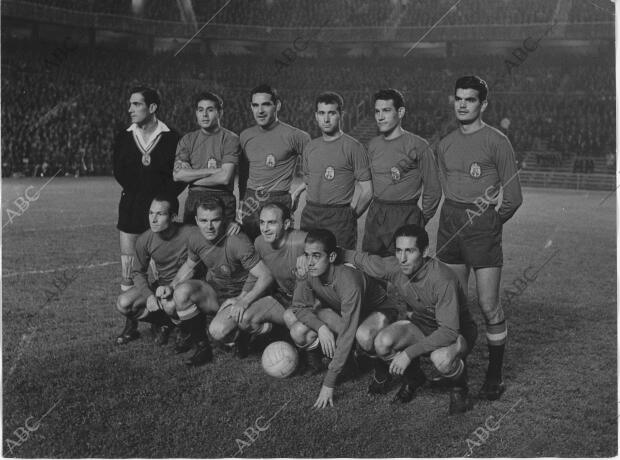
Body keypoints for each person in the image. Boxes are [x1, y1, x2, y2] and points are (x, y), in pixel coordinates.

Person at [435, 76, 523, 400]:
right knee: (452, 305)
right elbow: (447, 186)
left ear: (483, 104)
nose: (462, 104)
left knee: (488, 304)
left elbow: (513, 196)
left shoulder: (497, 141)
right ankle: (456, 373)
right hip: (450, 223)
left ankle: (494, 376)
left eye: (470, 99)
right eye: (458, 98)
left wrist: (491, 221)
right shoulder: (444, 143)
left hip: (482, 224)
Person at [342, 225, 478, 414]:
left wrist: (408, 354)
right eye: (399, 250)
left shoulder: (442, 279)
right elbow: (362, 259)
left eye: (410, 251)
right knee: (382, 343)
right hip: (422, 325)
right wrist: (327, 250)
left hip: (457, 332)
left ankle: (460, 387)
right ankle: (415, 378)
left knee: (441, 359)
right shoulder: (396, 266)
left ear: (424, 251)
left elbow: (449, 331)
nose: (403, 258)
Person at [288, 229, 398, 409]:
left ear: (331, 257)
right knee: (303, 328)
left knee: (363, 335)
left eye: (316, 256)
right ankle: (350, 360)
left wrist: (329, 382)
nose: (310, 262)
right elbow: (299, 307)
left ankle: (381, 369)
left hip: (379, 310)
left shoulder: (347, 280)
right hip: (347, 311)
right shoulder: (308, 269)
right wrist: (321, 328)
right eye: (307, 255)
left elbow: (348, 331)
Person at [158, 198, 274, 365]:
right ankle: (202, 347)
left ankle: (250, 331)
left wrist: (244, 300)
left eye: (215, 220)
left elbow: (266, 275)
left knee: (218, 331)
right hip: (216, 293)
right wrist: (171, 286)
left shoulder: (237, 241)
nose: (209, 226)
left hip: (240, 296)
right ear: (197, 220)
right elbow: (190, 266)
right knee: (178, 295)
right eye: (204, 220)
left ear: (225, 220)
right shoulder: (196, 238)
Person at [113, 86, 184, 292]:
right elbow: (119, 172)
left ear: (152, 107)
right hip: (131, 208)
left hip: (161, 211)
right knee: (129, 266)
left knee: (162, 269)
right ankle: (132, 320)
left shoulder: (173, 138)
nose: (130, 109)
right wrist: (140, 193)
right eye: (130, 104)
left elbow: (180, 176)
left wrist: (163, 198)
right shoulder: (123, 137)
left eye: (136, 104)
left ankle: (160, 319)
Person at [362, 88, 441, 256]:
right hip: (376, 213)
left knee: (404, 274)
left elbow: (433, 189)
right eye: (377, 111)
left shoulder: (419, 145)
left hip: (405, 214)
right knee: (371, 272)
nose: (380, 116)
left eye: (386, 110)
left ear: (401, 112)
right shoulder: (373, 144)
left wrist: (420, 220)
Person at [292, 92, 372, 250]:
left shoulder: (353, 147)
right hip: (310, 213)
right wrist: (297, 192)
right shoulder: (310, 147)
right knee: (309, 262)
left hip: (339, 216)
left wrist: (352, 215)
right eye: (322, 113)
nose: (326, 119)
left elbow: (368, 190)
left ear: (341, 115)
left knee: (340, 264)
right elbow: (309, 180)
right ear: (316, 116)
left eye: (331, 113)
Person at [115, 195, 193, 347]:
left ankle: (185, 328)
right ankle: (166, 322)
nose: (153, 219)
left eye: (160, 214)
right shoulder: (145, 239)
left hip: (186, 288)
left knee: (171, 304)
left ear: (173, 216)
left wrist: (232, 226)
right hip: (161, 288)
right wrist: (149, 296)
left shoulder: (191, 233)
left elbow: (215, 234)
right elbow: (137, 272)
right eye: (151, 213)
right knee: (123, 303)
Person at [239, 84, 310, 240]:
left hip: (279, 199)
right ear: (251, 107)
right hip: (251, 200)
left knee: (279, 251)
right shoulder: (245, 136)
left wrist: (297, 192)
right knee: (250, 249)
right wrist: (241, 201)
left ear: (277, 105)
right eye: (255, 105)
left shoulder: (297, 136)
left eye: (266, 104)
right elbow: (243, 172)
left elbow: (316, 168)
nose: (260, 110)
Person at [173, 91, 240, 225]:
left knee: (221, 244)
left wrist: (192, 179)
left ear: (220, 113)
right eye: (200, 110)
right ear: (196, 113)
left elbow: (225, 178)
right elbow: (178, 175)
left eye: (210, 110)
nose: (204, 115)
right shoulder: (187, 140)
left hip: (223, 198)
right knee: (193, 243)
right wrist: (214, 171)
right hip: (194, 198)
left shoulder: (231, 139)